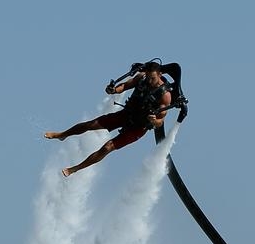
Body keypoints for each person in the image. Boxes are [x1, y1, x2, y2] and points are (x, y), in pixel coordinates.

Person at [44, 60, 172, 177]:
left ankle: (74, 169)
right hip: (126, 114)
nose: (150, 81)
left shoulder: (165, 96)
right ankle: (62, 134)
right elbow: (125, 86)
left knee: (107, 147)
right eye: (148, 77)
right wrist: (114, 90)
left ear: (160, 74)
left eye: (153, 78)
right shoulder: (141, 77)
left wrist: (154, 120)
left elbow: (160, 122)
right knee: (91, 124)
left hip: (138, 128)